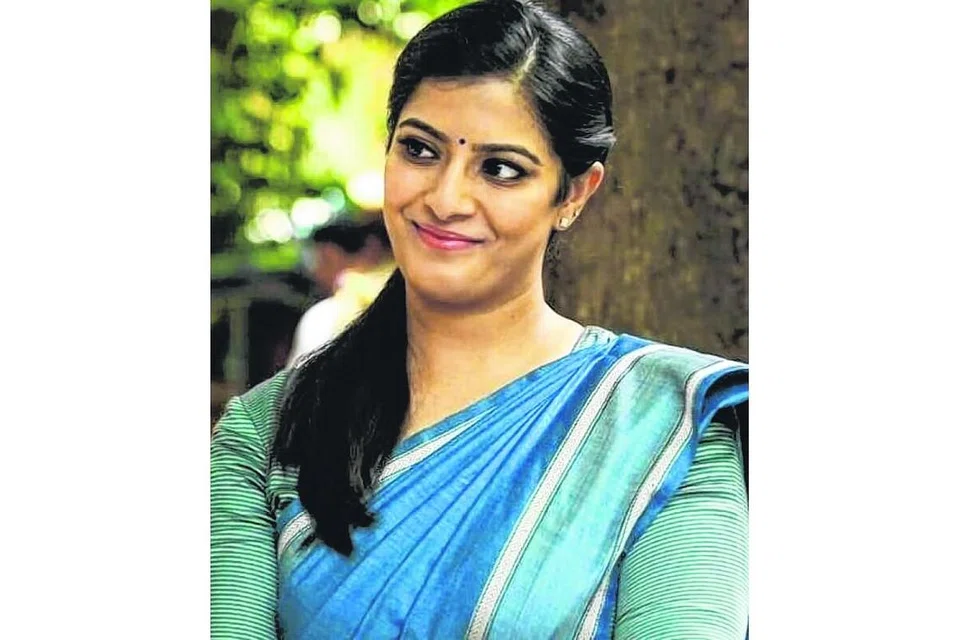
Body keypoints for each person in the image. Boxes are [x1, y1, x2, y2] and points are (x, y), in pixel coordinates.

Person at [211, 0, 748, 637]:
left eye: (500, 169)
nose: (446, 199)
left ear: (574, 194)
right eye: (419, 150)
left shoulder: (666, 426)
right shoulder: (269, 430)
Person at [286, 219, 395, 366]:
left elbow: (300, 375)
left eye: (324, 260)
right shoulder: (409, 304)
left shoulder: (324, 316)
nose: (317, 272)